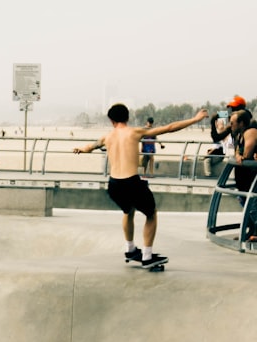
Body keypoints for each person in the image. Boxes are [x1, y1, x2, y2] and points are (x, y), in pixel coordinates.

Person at [73, 103, 208, 267]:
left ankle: (130, 249)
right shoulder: (135, 132)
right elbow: (170, 128)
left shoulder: (106, 137)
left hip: (114, 184)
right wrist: (195, 119)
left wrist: (80, 149)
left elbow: (89, 147)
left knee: (127, 211)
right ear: (127, 118)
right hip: (131, 182)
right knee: (151, 214)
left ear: (111, 120)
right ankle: (147, 256)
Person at [229, 109, 257, 240]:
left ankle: (255, 233)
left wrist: (242, 156)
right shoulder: (238, 134)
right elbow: (237, 152)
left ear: (241, 123)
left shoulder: (250, 132)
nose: (231, 125)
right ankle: (251, 231)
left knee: (253, 206)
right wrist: (238, 155)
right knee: (247, 206)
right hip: (244, 180)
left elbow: (248, 154)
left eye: (233, 123)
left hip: (252, 178)